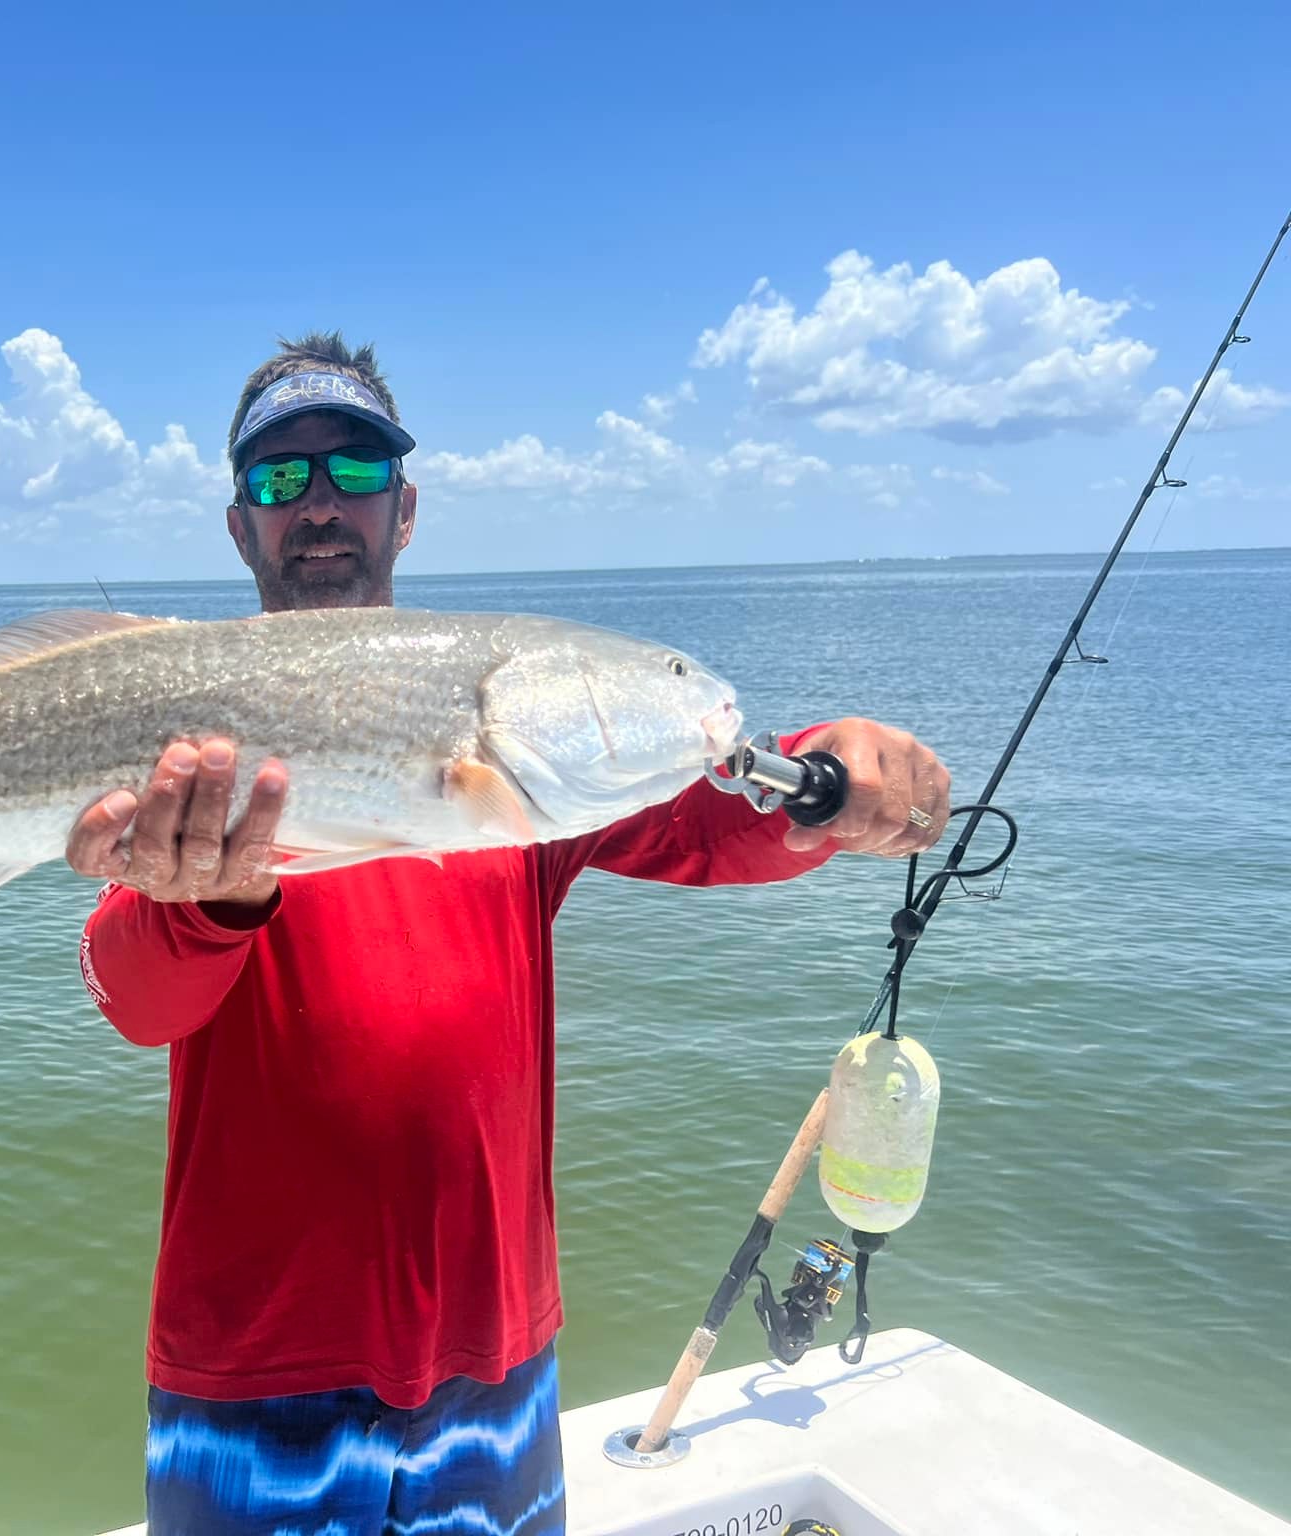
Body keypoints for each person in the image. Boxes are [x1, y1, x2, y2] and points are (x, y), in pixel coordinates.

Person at [66, 334, 950, 1535]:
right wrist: (208, 900)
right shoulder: (195, 744)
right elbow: (134, 999)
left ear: (404, 509)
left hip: (493, 1355)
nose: (318, 504)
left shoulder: (520, 768)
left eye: (355, 471)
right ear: (239, 527)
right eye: (279, 478)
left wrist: (826, 772)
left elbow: (712, 827)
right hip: (252, 1367)